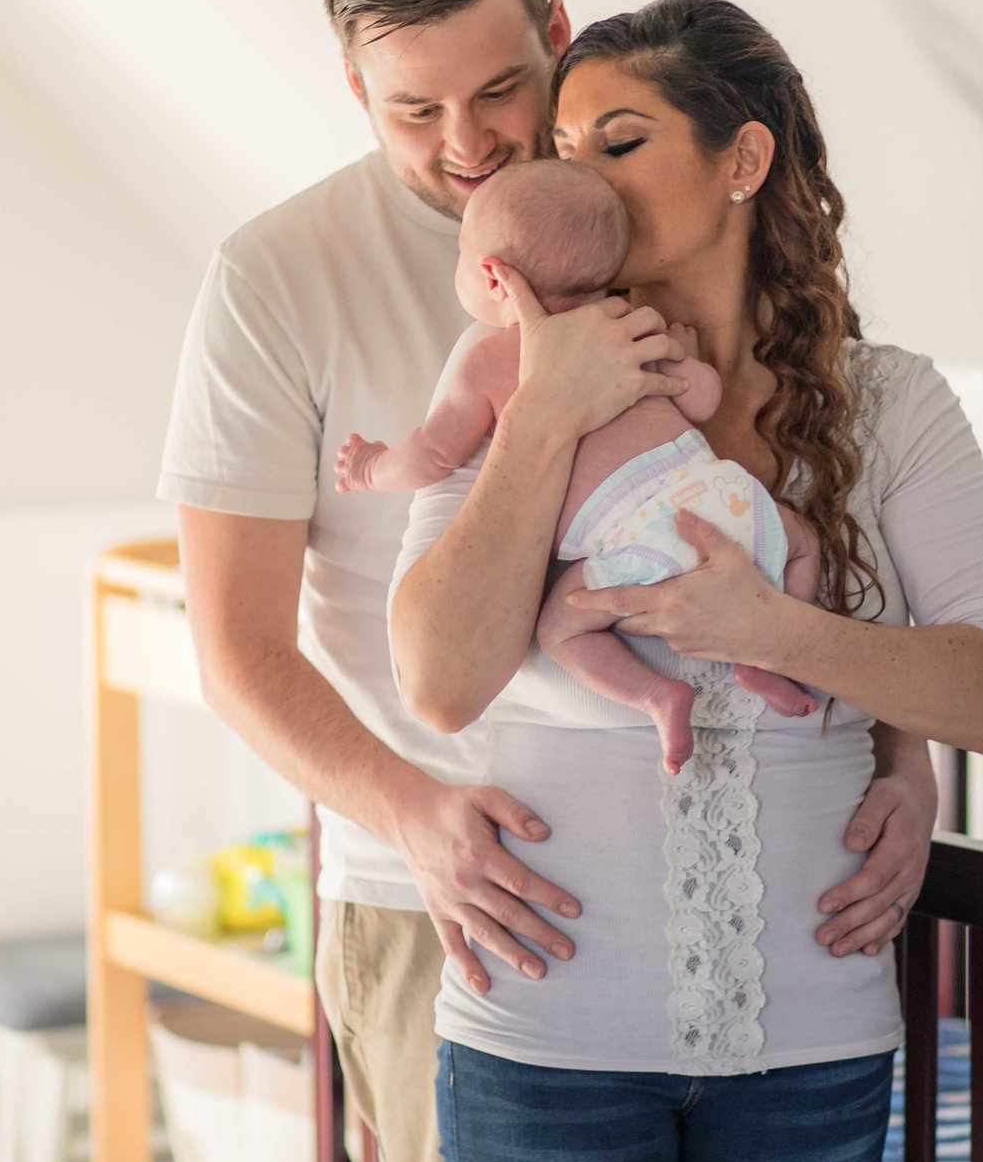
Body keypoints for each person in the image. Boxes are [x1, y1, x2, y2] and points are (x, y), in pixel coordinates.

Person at [159, 0, 941, 1162]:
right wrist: (409, 808)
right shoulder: (277, 278)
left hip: (727, 916)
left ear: (557, 33)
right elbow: (233, 648)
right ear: (354, 89)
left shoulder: (627, 229)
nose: (468, 148)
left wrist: (904, 752)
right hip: (437, 890)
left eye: (502, 90)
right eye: (412, 112)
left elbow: (806, 506)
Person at [390, 0, 983, 1162]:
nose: (579, 176)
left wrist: (782, 632)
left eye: (620, 140)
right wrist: (545, 417)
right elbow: (437, 673)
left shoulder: (891, 404)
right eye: (566, 149)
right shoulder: (507, 373)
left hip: (812, 1054)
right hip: (545, 1041)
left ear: (743, 160)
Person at [332, 158, 821, 771]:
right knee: (799, 541)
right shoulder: (635, 330)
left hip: (630, 545)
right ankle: (767, 656)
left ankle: (656, 693)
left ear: (492, 277)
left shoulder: (490, 361)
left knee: (562, 629)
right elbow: (702, 400)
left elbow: (433, 455)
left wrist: (371, 467)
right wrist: (685, 359)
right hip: (722, 505)